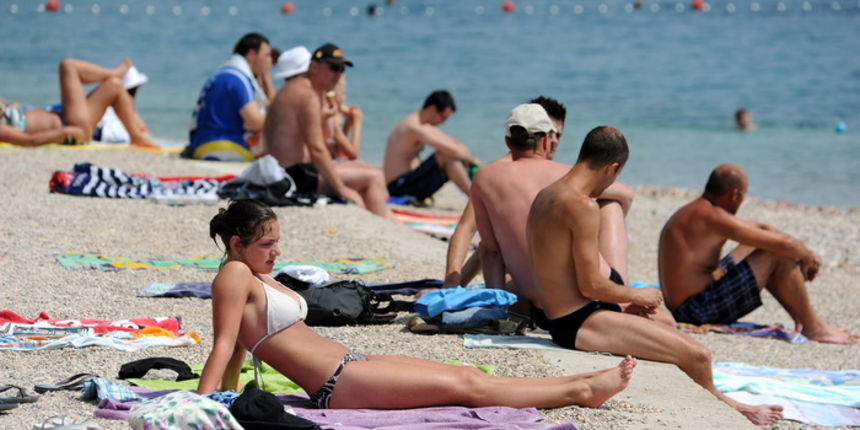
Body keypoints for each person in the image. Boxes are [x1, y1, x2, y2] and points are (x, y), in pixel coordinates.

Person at [197, 199, 638, 411]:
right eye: (267, 244)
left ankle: (584, 379)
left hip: (354, 364)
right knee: (468, 390)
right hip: (339, 382)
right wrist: (204, 405)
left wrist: (226, 394)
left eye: (277, 242)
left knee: (465, 377)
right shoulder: (234, 275)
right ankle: (581, 392)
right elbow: (224, 345)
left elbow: (239, 346)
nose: (277, 252)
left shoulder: (251, 276)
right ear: (237, 244)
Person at [526, 127, 783, 426]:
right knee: (698, 356)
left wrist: (621, 304)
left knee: (664, 320)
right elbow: (590, 284)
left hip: (565, 313)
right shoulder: (582, 205)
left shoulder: (546, 195)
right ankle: (730, 405)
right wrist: (637, 294)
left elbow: (567, 276)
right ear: (613, 168)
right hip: (577, 322)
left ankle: (711, 391)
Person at [470, 104, 637, 322]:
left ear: (507, 142)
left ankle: (499, 307)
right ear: (547, 141)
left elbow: (490, 252)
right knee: (610, 204)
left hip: (537, 307)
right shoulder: (564, 175)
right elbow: (627, 195)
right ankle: (619, 288)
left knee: (497, 252)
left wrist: (495, 310)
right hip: (582, 301)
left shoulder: (484, 177)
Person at [658, 164, 857, 344]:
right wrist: (806, 257)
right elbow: (785, 245)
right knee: (776, 253)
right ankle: (815, 328)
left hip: (691, 301)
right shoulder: (712, 216)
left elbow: (763, 229)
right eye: (744, 195)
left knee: (759, 245)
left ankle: (801, 318)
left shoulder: (699, 210)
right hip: (696, 310)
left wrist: (805, 252)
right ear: (734, 195)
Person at [441, 96, 577, 290]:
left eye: (559, 135)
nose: (555, 141)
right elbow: (467, 230)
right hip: (514, 279)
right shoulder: (496, 173)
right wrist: (452, 283)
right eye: (551, 133)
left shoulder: (552, 171)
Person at [264, 43, 391, 219]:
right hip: (295, 176)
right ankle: (383, 227)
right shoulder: (308, 96)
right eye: (333, 68)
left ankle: (388, 219)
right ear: (314, 66)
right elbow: (317, 149)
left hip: (283, 171)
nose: (338, 75)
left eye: (341, 69)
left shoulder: (293, 89)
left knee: (362, 168)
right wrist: (342, 189)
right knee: (374, 176)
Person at [0, 58, 154, 147]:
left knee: (115, 86)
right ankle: (115, 72)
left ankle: (136, 137)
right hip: (70, 127)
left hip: (68, 119)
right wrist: (64, 133)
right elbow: (29, 141)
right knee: (68, 66)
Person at [185, 32, 274, 161]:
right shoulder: (237, 79)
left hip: (203, 142)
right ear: (251, 55)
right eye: (266, 56)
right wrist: (267, 76)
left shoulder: (224, 73)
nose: (269, 61)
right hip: (224, 145)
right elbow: (255, 122)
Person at [384, 90, 479, 203]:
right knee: (446, 156)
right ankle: (476, 200)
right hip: (399, 187)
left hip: (409, 182)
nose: (444, 122)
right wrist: (474, 161)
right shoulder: (414, 127)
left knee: (454, 156)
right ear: (432, 109)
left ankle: (476, 196)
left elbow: (455, 144)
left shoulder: (421, 123)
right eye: (443, 118)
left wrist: (469, 160)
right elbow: (452, 150)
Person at [323, 76, 363, 161]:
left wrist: (347, 124)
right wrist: (357, 123)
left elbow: (340, 147)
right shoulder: (330, 117)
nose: (345, 97)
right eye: (343, 92)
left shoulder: (324, 112)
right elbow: (353, 154)